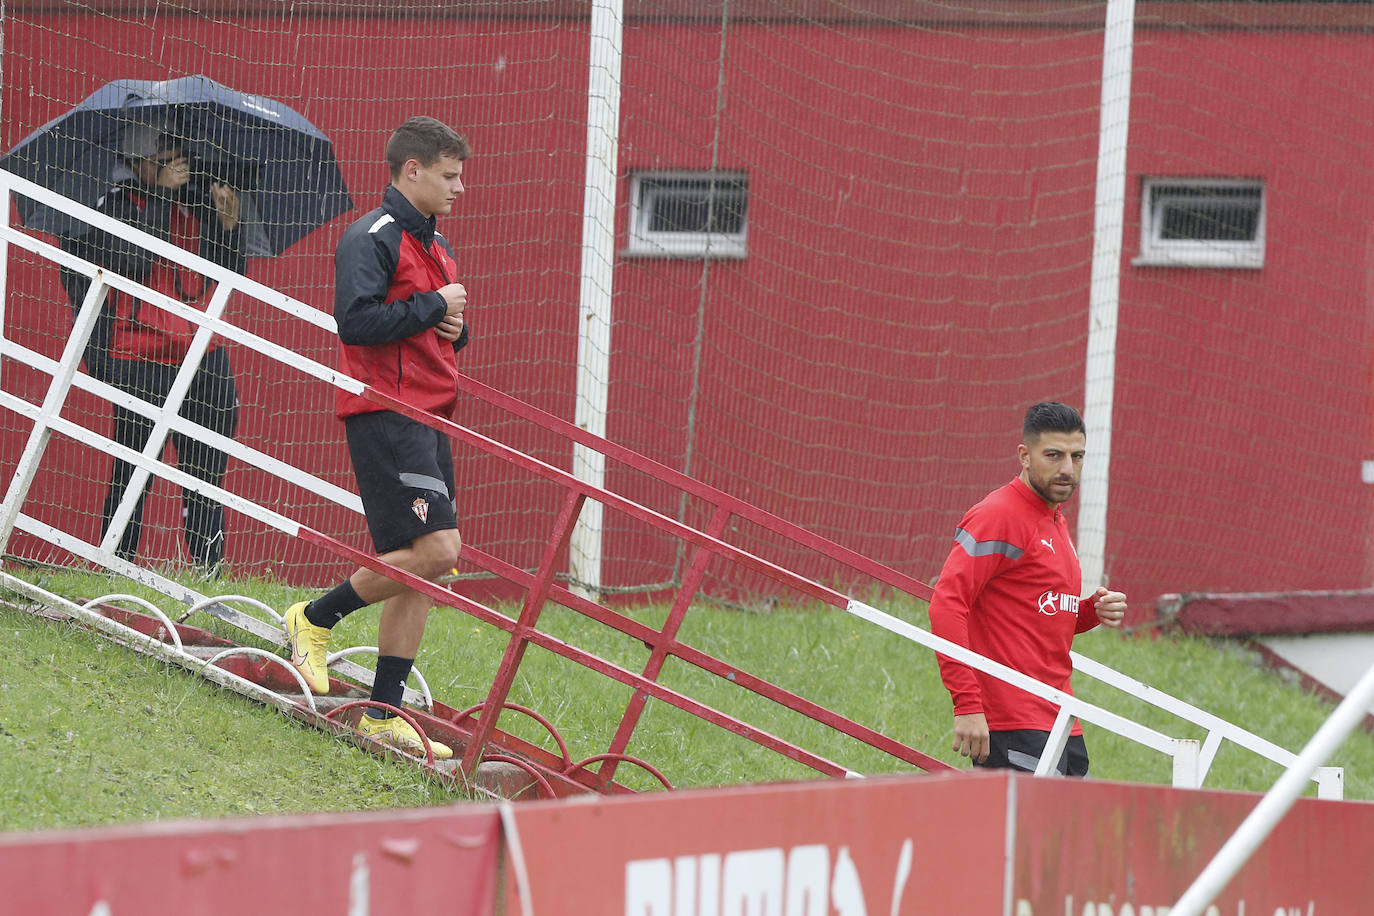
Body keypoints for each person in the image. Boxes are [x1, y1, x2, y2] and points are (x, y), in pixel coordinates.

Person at [281, 116, 471, 760]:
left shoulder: (438, 246)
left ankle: (384, 713)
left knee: (422, 568)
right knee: (440, 550)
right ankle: (315, 617)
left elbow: (435, 324)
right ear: (410, 170)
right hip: (387, 413)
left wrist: (452, 327)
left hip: (431, 417)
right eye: (449, 176)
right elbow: (355, 321)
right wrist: (434, 307)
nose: (459, 187)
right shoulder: (372, 235)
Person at [59, 122, 245, 570]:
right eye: (165, 152)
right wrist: (161, 194)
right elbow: (132, 259)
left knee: (207, 470)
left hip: (203, 351)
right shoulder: (114, 202)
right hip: (140, 355)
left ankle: (208, 569)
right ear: (140, 160)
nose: (177, 160)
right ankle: (112, 563)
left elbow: (225, 276)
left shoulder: (195, 203)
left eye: (178, 150)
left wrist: (227, 227)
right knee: (133, 471)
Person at [927, 401, 1128, 776]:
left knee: (1068, 836)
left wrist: (1089, 612)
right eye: (1053, 455)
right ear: (1024, 455)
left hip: (1062, 717)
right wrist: (967, 704)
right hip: (1012, 722)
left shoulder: (1055, 520)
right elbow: (946, 605)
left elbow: (1043, 612)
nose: (1067, 469)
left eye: (1077, 456)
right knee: (1017, 836)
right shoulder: (998, 515)